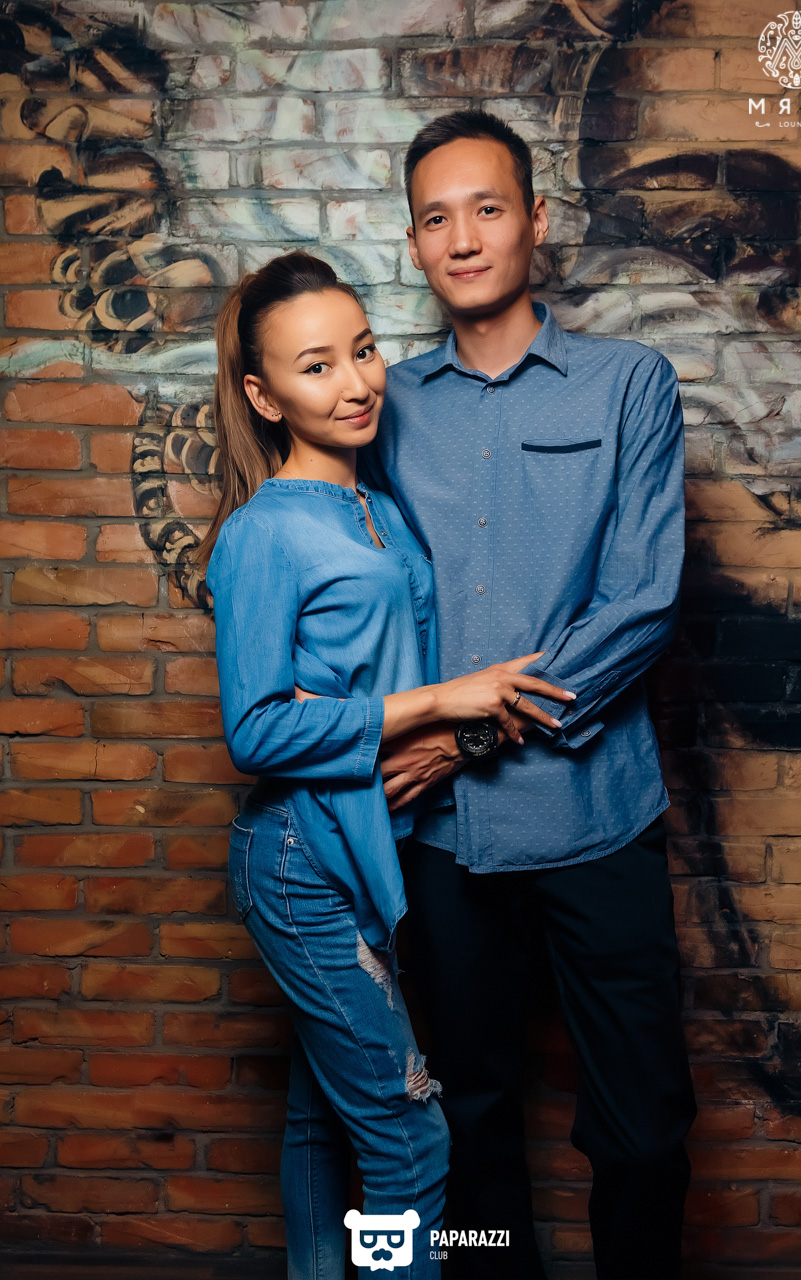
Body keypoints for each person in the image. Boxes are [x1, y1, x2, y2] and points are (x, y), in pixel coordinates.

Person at [359, 110, 699, 1280]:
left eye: (487, 208)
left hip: (596, 814)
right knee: (466, 1118)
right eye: (435, 217)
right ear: (413, 242)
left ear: (536, 221)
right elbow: (362, 603)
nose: (463, 239)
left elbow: (641, 603)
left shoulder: (627, 384)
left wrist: (460, 738)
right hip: (440, 839)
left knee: (642, 1124)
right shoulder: (382, 405)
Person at [195, 250, 573, 1280]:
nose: (356, 383)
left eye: (363, 351)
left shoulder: (380, 509)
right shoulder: (264, 531)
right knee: (410, 1139)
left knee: (325, 1119)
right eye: (316, 367)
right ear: (264, 396)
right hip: (301, 860)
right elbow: (254, 730)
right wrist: (442, 702)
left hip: (373, 849)